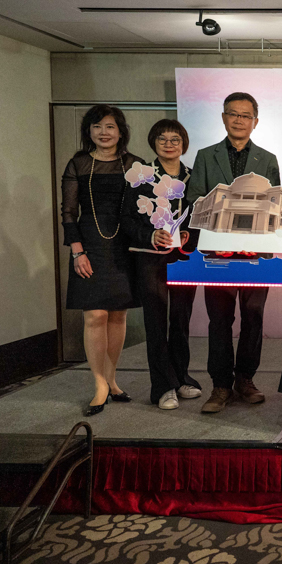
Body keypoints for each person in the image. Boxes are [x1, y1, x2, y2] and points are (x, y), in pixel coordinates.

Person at [186, 92, 280, 414]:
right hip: (217, 252)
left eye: (245, 115)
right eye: (233, 114)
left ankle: (245, 380)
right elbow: (195, 199)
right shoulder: (205, 156)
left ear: (256, 121)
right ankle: (221, 385)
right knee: (219, 320)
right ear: (224, 117)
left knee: (253, 316)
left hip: (257, 253)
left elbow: (274, 204)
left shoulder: (268, 159)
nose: (239, 120)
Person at [61, 105, 145, 416]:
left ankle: (111, 379)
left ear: (121, 131)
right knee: (95, 315)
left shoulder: (135, 164)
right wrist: (77, 251)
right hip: (90, 245)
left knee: (118, 316)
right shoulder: (79, 163)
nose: (103, 132)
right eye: (97, 126)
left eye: (110, 126)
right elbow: (69, 212)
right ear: (89, 132)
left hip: (125, 245)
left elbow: (145, 207)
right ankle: (98, 384)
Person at [123, 119, 202, 411]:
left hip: (183, 257)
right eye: (162, 139)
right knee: (155, 323)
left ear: (184, 144)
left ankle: (181, 378)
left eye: (175, 139)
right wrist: (150, 234)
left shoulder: (194, 177)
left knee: (181, 320)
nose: (169, 144)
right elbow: (126, 219)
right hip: (150, 257)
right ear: (153, 142)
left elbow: (202, 217)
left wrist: (189, 235)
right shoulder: (140, 175)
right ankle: (162, 386)